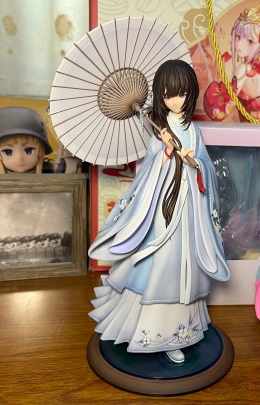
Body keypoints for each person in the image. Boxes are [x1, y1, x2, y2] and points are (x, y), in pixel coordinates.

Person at [88, 60, 230, 364]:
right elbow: (147, 173)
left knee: (185, 268)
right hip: (162, 210)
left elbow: (206, 167)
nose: (175, 101)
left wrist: (195, 163)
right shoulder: (159, 131)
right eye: (167, 95)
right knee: (159, 264)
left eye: (181, 94)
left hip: (188, 210)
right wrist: (166, 151)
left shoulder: (193, 131)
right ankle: (149, 331)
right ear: (160, 96)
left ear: (190, 93)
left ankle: (180, 332)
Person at [0, 106, 53, 174]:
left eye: (29, 150)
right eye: (8, 152)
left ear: (41, 150)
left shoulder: (49, 170)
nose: (19, 158)